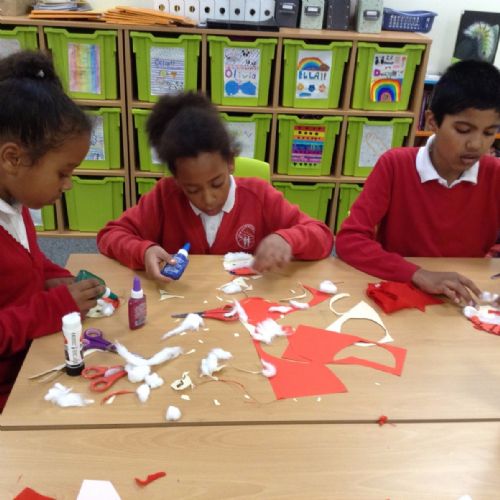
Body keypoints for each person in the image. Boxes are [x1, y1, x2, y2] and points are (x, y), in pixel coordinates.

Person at [97, 91, 334, 279]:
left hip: (246, 308)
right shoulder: (164, 197)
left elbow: (322, 237)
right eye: (192, 190)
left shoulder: (259, 196)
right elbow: (109, 236)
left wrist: (287, 239)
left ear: (230, 162)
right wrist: (143, 251)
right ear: (177, 180)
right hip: (182, 305)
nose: (208, 199)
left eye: (217, 183)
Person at [336, 59, 500, 305]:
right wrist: (417, 274)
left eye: (489, 133)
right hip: (402, 292)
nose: (476, 144)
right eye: (463, 130)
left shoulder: (495, 174)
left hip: (465, 298)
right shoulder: (395, 165)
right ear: (432, 121)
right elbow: (350, 240)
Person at [0, 51, 104, 411]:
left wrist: (53, 276)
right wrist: (55, 307)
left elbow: (27, 261)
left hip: (32, 360)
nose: (68, 184)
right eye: (63, 172)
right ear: (12, 159)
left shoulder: (14, 204)